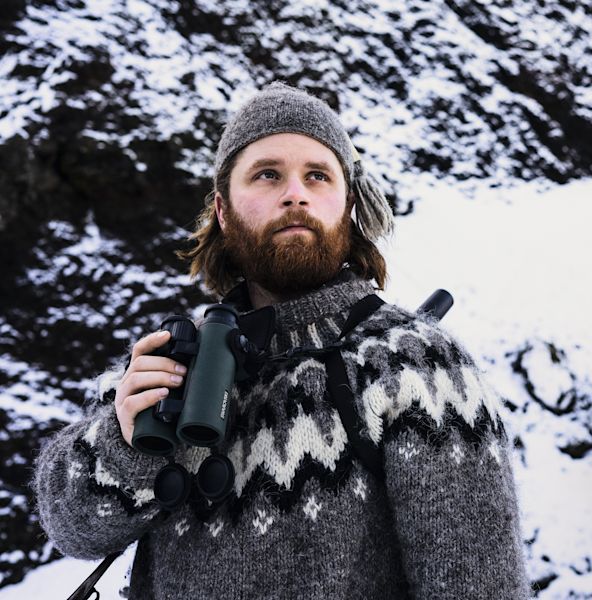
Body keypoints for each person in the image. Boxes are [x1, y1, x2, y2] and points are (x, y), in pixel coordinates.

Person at [34, 82, 530, 599]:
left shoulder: (420, 367)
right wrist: (121, 441)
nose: (295, 194)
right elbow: (73, 529)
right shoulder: (171, 361)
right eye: (267, 174)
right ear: (223, 211)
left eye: (318, 176)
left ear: (349, 206)